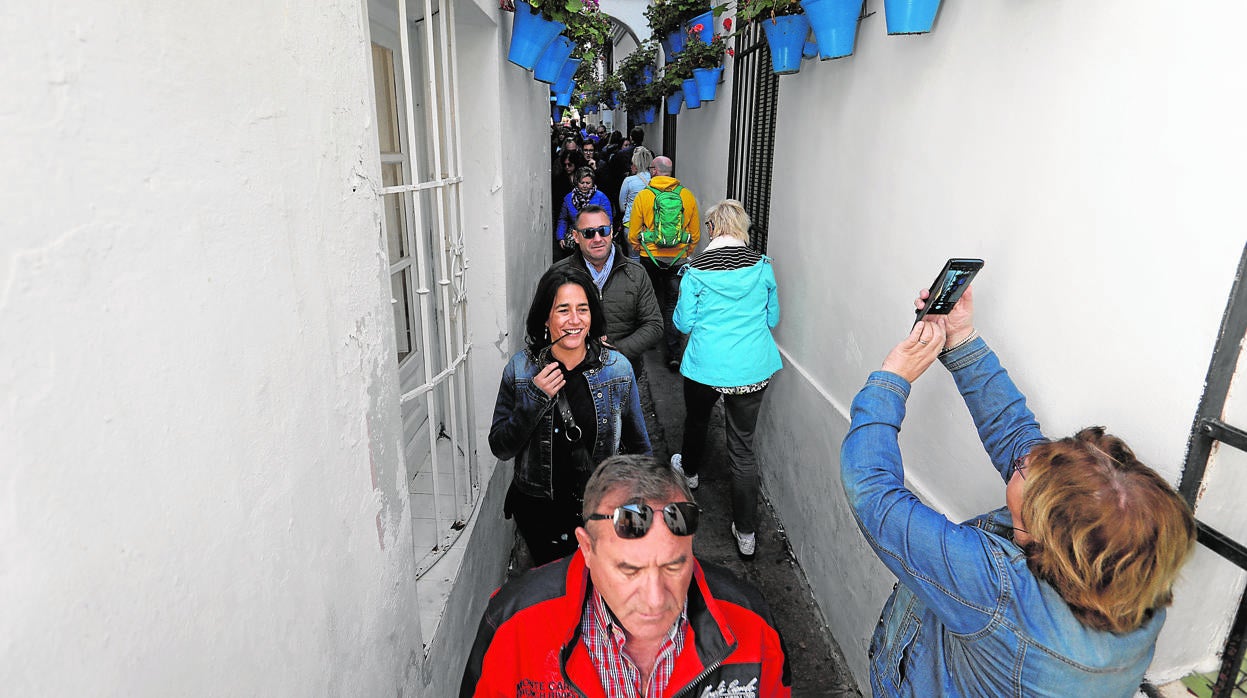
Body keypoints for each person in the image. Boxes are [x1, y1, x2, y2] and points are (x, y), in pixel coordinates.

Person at [840, 286, 1196, 697]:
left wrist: (892, 379)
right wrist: (961, 339)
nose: (1026, 457)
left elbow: (873, 494)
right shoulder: (1134, 575)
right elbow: (1017, 435)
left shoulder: (1000, 593)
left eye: (1027, 473)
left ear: (1041, 537)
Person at [460, 454, 793, 697]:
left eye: (674, 565)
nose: (655, 599)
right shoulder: (513, 624)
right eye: (629, 570)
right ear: (586, 549)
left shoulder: (751, 622)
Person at [488, 267, 650, 565]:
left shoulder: (617, 370)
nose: (574, 320)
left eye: (582, 309)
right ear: (545, 319)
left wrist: (635, 515)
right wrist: (534, 398)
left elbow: (639, 449)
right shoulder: (521, 371)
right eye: (563, 310)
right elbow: (501, 446)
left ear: (593, 316)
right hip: (539, 516)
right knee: (554, 595)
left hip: (601, 514)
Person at [669, 200, 780, 560]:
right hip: (752, 367)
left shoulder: (695, 271)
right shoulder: (762, 267)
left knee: (698, 419)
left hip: (707, 366)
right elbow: (773, 318)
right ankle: (746, 532)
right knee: (742, 448)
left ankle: (690, 470)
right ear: (742, 229)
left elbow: (683, 324)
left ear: (713, 229)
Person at [550, 204, 661, 378]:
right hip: (574, 375)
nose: (597, 238)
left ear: (611, 232)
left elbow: (653, 325)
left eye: (603, 231)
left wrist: (616, 352)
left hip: (623, 372)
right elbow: (544, 324)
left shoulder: (635, 273)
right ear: (576, 236)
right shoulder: (558, 274)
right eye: (588, 233)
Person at [627, 156, 700, 370]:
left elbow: (634, 231)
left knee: (649, 298)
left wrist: (640, 248)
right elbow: (694, 233)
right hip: (676, 260)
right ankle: (673, 353)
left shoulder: (644, 196)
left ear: (655, 171)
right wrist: (686, 251)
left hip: (649, 257)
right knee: (672, 304)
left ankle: (648, 341)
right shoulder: (686, 196)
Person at [556, 167, 613, 258]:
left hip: (595, 235)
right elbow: (563, 219)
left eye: (588, 183)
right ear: (576, 182)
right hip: (575, 239)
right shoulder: (569, 198)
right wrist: (560, 237)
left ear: (592, 183)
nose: (585, 186)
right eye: (582, 183)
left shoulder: (601, 197)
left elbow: (608, 220)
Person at [617, 146, 654, 257]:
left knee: (634, 258)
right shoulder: (655, 180)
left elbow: (622, 207)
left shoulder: (629, 181)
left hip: (631, 224)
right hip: (651, 226)